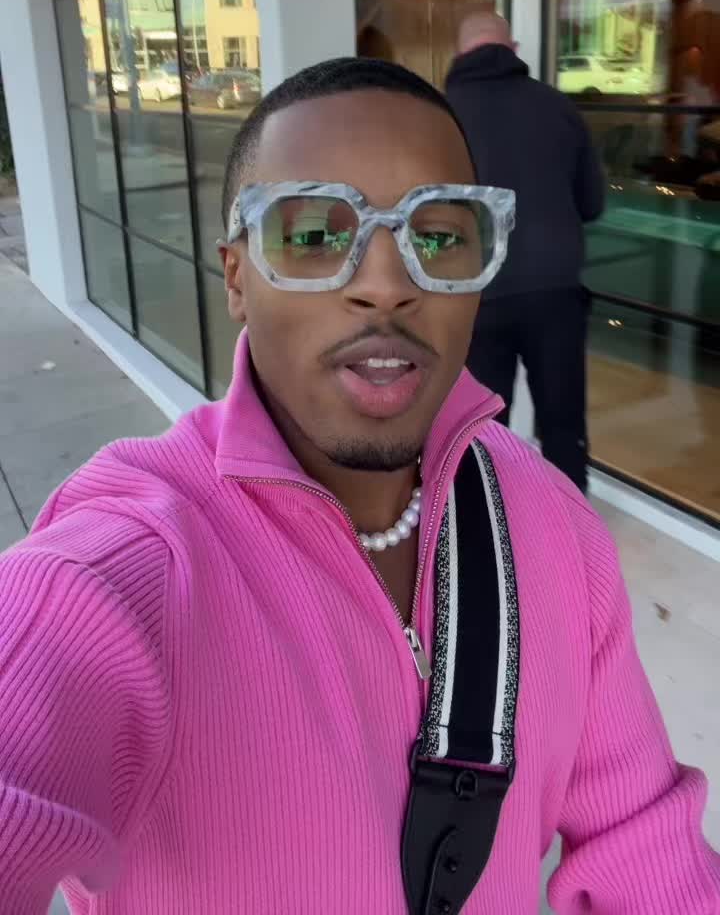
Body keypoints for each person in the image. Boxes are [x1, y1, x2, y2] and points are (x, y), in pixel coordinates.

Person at [0, 57, 718, 915]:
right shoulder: (124, 568)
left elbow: (642, 839)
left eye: (439, 237)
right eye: (313, 237)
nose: (386, 284)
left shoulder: (554, 526)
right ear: (237, 278)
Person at [446, 13, 605, 490]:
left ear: (459, 53)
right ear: (512, 48)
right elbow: (592, 204)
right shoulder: (558, 107)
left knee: (481, 429)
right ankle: (569, 523)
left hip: (474, 294)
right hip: (554, 291)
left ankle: (491, 524)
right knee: (563, 424)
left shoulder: (439, 115)